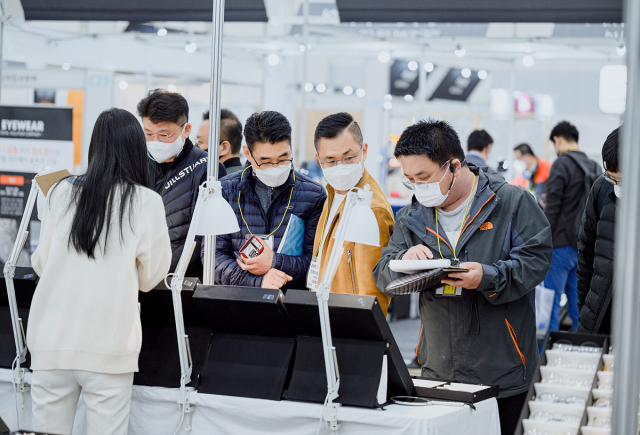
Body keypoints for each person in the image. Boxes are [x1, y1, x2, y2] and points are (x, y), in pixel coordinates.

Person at [373, 119, 552, 435]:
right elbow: (382, 273)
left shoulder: (511, 203)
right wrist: (403, 261)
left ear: (454, 165)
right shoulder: (411, 217)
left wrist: (488, 277)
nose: (417, 186)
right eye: (410, 179)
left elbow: (536, 261)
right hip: (437, 369)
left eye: (424, 177)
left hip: (503, 369)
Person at [28, 108, 172, 435]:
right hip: (108, 345)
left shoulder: (60, 192)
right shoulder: (145, 202)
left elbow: (41, 262)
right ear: (137, 149)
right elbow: (151, 278)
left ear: (94, 147)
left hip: (51, 341)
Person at [214, 110, 326, 289]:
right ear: (248, 154)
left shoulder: (313, 195)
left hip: (290, 304)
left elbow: (315, 262)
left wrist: (274, 262)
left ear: (290, 147)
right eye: (265, 162)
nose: (275, 168)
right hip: (238, 301)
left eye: (283, 159)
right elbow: (214, 257)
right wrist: (258, 282)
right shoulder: (225, 190)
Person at [137, 89, 226, 281]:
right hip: (139, 276)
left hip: (182, 280)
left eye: (164, 135)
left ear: (186, 130)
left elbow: (205, 236)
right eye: (148, 134)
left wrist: (160, 271)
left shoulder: (207, 168)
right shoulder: (137, 164)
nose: (155, 141)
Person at [311, 112, 394, 315]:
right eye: (330, 161)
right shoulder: (331, 193)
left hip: (350, 326)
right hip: (325, 318)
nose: (340, 167)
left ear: (364, 151)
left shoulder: (372, 209)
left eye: (349, 158)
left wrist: (365, 337)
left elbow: (373, 292)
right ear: (318, 159)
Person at [543, 121, 601, 332]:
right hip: (583, 248)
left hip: (559, 245)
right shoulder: (593, 166)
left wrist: (542, 240)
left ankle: (544, 359)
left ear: (557, 140)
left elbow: (553, 207)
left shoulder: (561, 164)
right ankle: (579, 355)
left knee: (550, 305)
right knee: (580, 308)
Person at [577, 127, 620, 335]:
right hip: (599, 318)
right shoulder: (602, 189)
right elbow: (586, 255)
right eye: (613, 178)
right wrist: (584, 309)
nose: (617, 186)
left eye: (623, 181)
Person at [196, 109, 245, 174]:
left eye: (200, 141)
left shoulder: (217, 182)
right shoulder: (248, 178)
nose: (196, 146)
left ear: (224, 147)